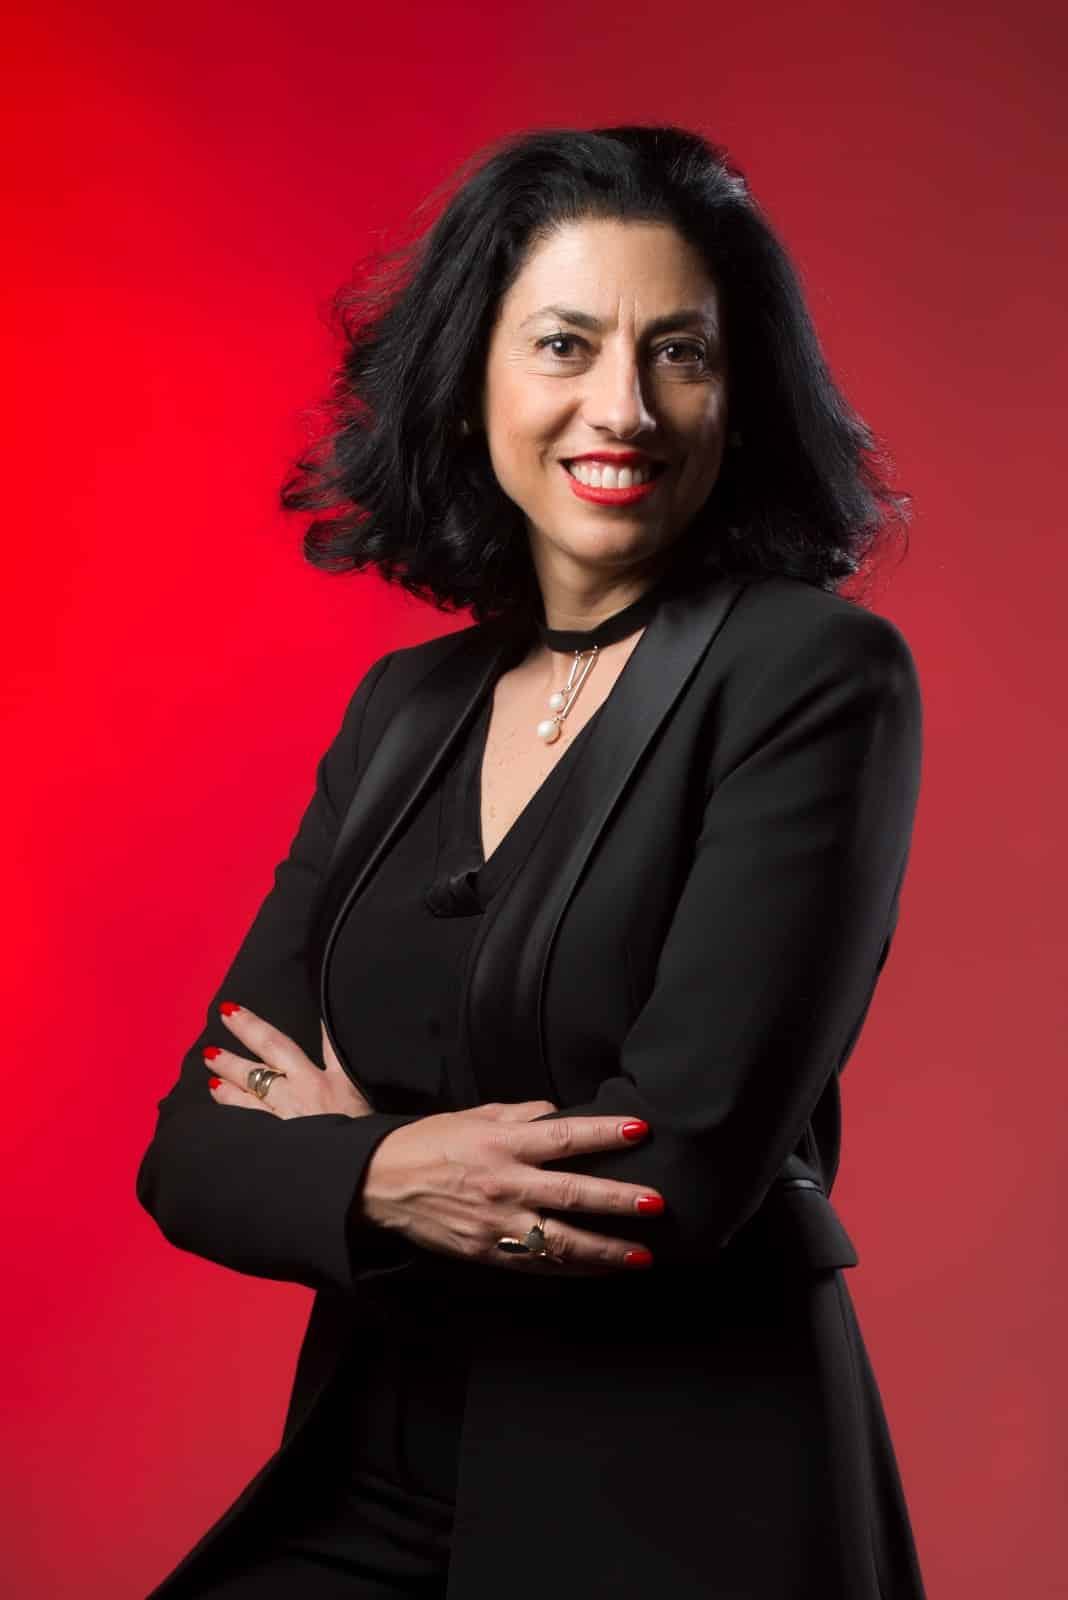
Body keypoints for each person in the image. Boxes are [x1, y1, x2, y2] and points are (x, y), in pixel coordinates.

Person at [136, 123, 928, 1599]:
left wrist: (344, 1152)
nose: (621, 406)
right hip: (371, 1461)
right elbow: (193, 1153)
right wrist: (393, 1170)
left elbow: (673, 1176)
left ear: (739, 394)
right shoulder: (403, 710)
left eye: (679, 354)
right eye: (565, 344)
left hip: (675, 1497)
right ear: (473, 382)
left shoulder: (816, 675)